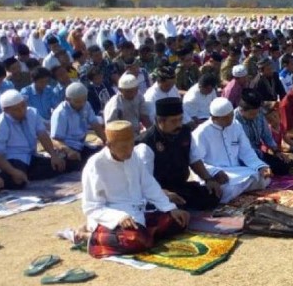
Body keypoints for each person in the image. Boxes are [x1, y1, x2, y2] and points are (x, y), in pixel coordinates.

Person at [82, 120, 190, 258]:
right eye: (123, 148)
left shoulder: (134, 157)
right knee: (137, 241)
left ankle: (142, 234)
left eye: (131, 145)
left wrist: (170, 208)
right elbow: (91, 207)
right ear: (109, 145)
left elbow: (149, 185)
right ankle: (92, 237)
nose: (129, 151)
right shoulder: (95, 165)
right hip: (113, 219)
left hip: (139, 214)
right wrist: (118, 217)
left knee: (180, 220)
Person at [134, 98, 221, 210]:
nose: (179, 124)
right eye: (174, 121)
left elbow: (194, 160)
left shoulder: (184, 132)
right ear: (160, 121)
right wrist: (164, 194)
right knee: (171, 209)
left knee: (212, 194)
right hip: (159, 192)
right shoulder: (146, 143)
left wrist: (209, 179)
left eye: (180, 119)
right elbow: (145, 182)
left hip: (180, 186)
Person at [191, 97, 272, 203]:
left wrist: (260, 166)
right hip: (217, 173)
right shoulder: (201, 133)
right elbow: (197, 162)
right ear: (215, 118)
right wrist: (215, 172)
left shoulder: (236, 125)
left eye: (231, 116)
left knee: (262, 178)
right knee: (227, 189)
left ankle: (239, 191)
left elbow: (246, 151)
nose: (230, 120)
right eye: (226, 118)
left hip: (237, 171)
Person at [0, 90, 66, 188]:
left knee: (61, 165)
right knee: (15, 180)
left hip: (31, 156)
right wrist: (13, 172)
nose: (22, 111)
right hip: (12, 160)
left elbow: (42, 135)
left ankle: (26, 175)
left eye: (23, 106)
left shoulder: (32, 113)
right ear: (6, 110)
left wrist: (53, 155)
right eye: (17, 109)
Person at [234, 89, 293, 176]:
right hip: (243, 156)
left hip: (258, 153)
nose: (255, 116)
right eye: (252, 114)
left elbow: (267, 136)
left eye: (256, 113)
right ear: (242, 110)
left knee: (284, 165)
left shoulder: (259, 114)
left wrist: (277, 151)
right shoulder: (234, 121)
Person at [50, 83, 107, 171]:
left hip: (81, 145)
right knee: (79, 165)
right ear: (68, 99)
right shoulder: (60, 113)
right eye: (78, 102)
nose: (82, 104)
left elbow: (95, 124)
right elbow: (55, 140)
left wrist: (105, 140)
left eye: (84, 100)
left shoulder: (86, 105)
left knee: (103, 155)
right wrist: (69, 151)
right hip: (67, 149)